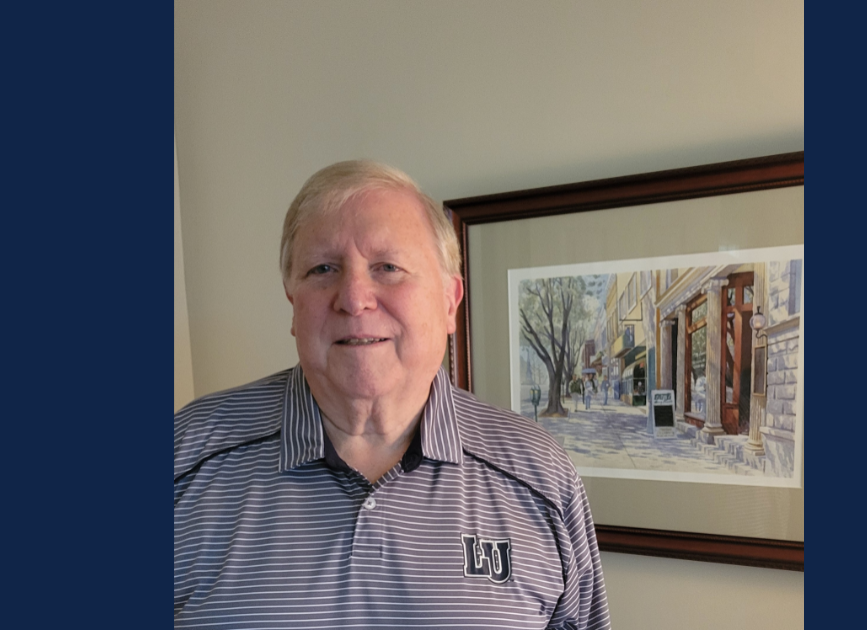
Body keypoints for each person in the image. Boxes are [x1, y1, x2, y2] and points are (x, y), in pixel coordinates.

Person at [173, 160, 611, 629]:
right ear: (293, 304)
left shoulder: (540, 477)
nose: (355, 297)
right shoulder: (183, 458)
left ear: (449, 303)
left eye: (388, 267)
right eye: (323, 268)